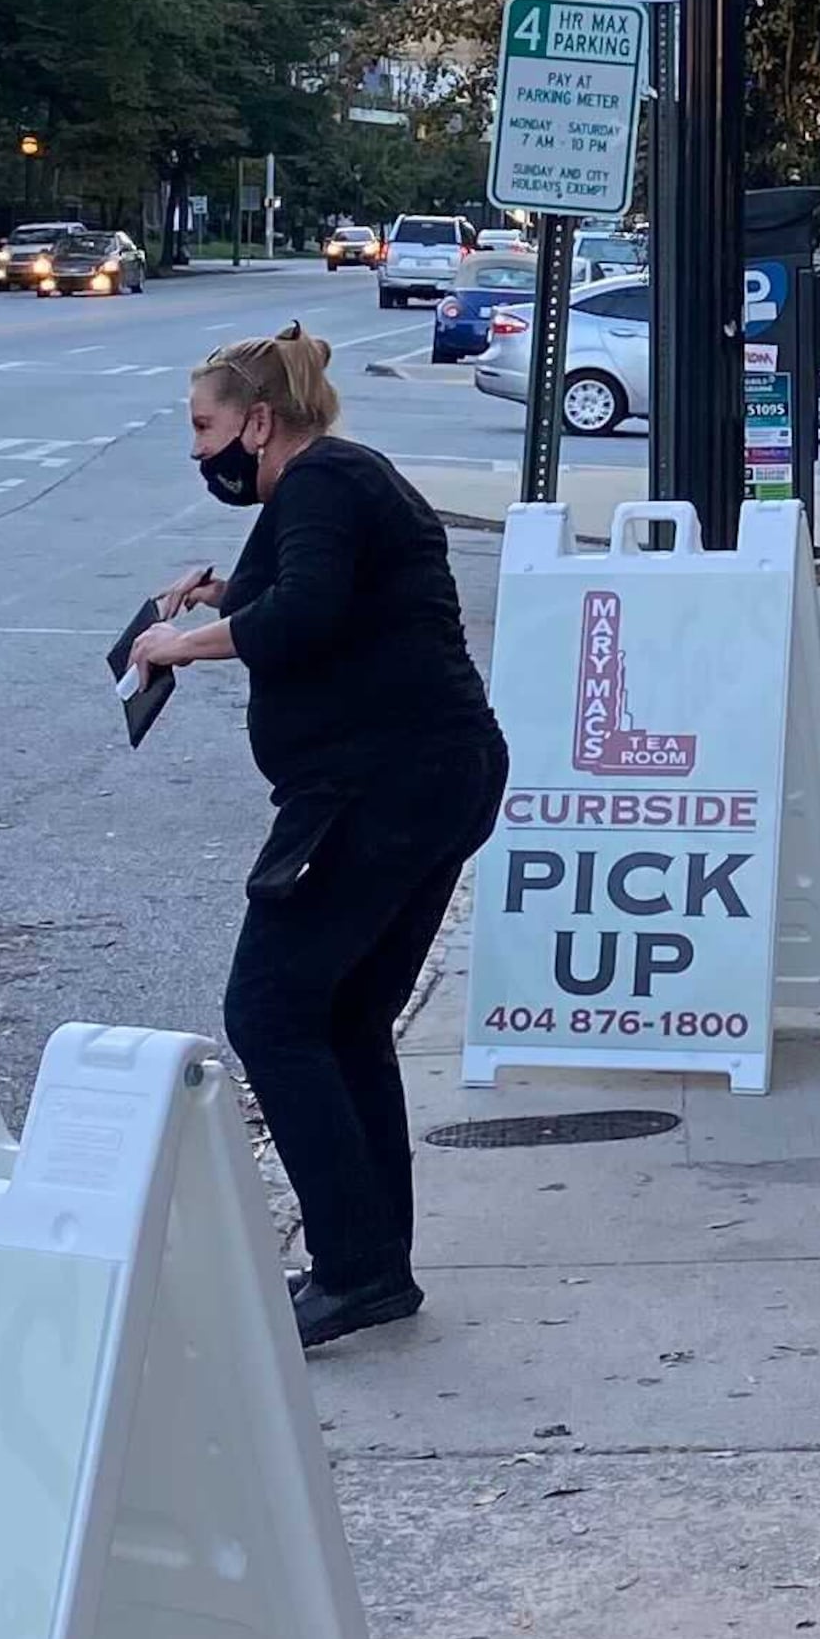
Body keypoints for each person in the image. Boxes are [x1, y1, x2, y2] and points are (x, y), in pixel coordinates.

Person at [127, 324, 504, 1349]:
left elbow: (304, 611)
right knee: (342, 1018)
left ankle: (354, 1264)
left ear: (259, 420)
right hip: (425, 775)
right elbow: (299, 587)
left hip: (380, 788)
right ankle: (369, 1263)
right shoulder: (327, 485)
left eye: (205, 427)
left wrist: (185, 642)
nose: (199, 451)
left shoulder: (326, 483)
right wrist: (216, 594)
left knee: (272, 1010)